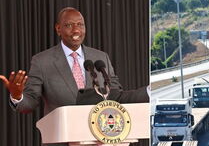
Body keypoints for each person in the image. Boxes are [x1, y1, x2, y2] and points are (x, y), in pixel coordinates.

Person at [0, 7, 149, 115]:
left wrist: (149, 91)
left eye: (80, 25)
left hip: (100, 139)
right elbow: (30, 104)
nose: (76, 30)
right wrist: (17, 97)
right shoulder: (42, 61)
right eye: (69, 25)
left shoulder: (100, 58)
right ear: (58, 29)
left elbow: (117, 97)